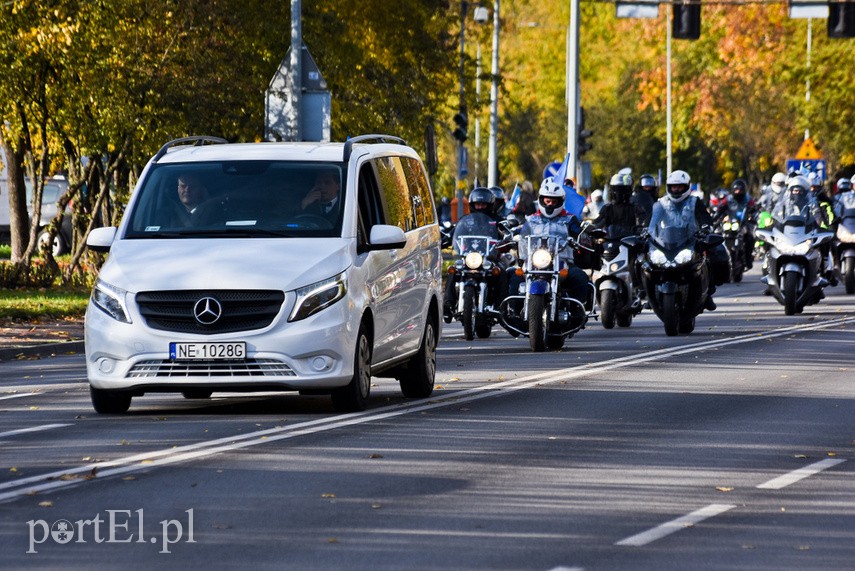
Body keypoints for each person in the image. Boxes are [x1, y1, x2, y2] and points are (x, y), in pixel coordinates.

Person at [647, 170, 720, 311]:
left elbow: (704, 217)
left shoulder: (695, 202)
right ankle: (649, 295)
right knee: (646, 261)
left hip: (691, 239)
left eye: (680, 186)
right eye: (673, 187)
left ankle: (709, 293)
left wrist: (706, 227)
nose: (676, 189)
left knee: (708, 257)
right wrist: (645, 230)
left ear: (686, 186)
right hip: (667, 241)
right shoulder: (662, 203)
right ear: (668, 187)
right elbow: (652, 220)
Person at [509, 179, 590, 305]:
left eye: (554, 201)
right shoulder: (531, 219)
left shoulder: (569, 219)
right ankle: (513, 312)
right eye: (547, 201)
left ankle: (577, 312)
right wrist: (512, 235)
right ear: (541, 200)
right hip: (534, 261)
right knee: (514, 277)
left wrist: (584, 239)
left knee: (579, 276)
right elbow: (522, 231)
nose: (550, 204)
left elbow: (578, 232)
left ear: (560, 202)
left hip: (562, 261)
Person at [726, 178, 758, 270]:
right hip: (732, 223)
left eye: (740, 190)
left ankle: (748, 259)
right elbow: (721, 208)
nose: (738, 192)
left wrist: (753, 215)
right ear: (732, 190)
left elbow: (754, 208)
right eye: (736, 190)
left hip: (744, 224)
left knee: (750, 238)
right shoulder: (728, 199)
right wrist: (714, 217)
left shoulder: (748, 199)